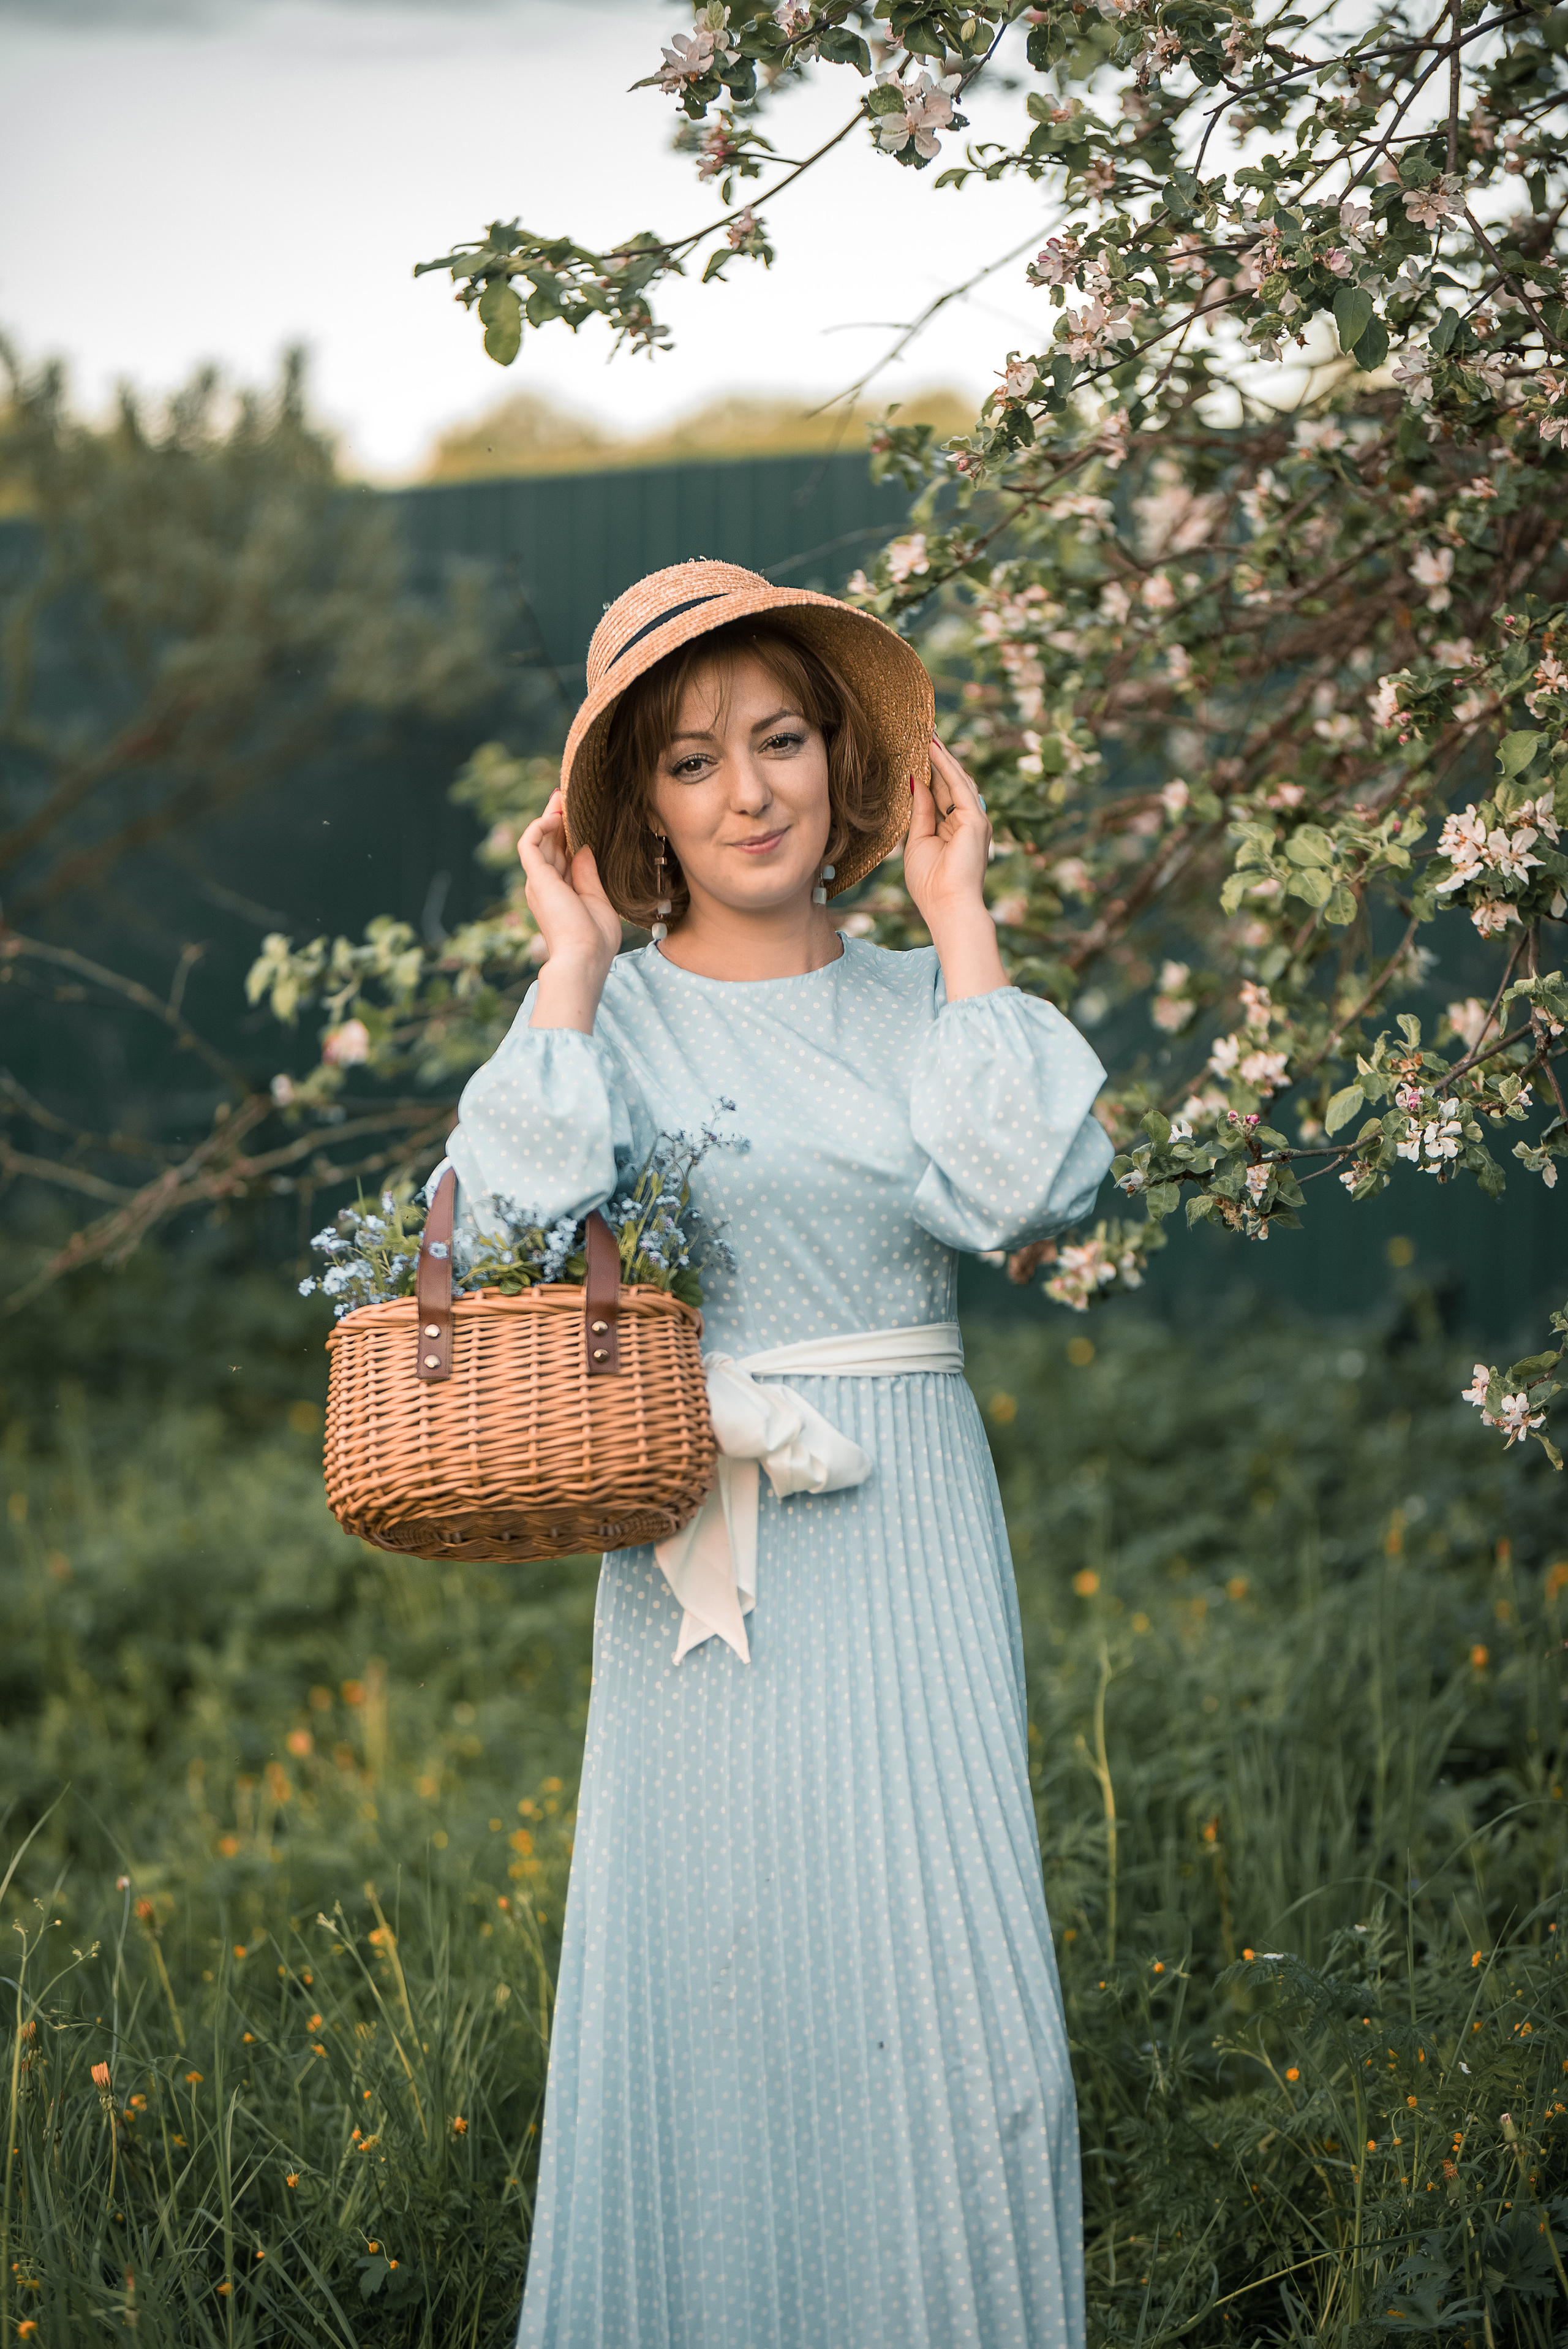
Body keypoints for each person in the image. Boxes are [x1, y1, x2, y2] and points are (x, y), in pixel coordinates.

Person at [437, 560, 1114, 2349]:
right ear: (633, 808)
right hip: (694, 1545)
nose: (745, 791)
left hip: (905, 1525)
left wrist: (961, 920)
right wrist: (570, 968)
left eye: (780, 739)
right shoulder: (621, 1012)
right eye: (686, 760)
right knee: (724, 2001)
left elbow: (1020, 1186)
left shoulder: (918, 1003)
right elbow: (504, 1209)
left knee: (978, 2034)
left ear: (844, 760)